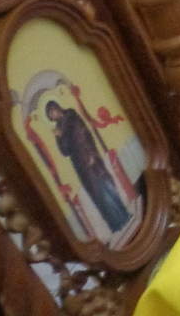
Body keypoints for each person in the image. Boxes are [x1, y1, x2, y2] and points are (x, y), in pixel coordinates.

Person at [45, 100, 131, 234]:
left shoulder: (70, 115)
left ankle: (123, 216)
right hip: (80, 165)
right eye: (50, 115)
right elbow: (65, 151)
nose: (52, 115)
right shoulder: (58, 127)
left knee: (105, 185)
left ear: (56, 107)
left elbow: (83, 134)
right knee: (97, 194)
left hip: (89, 156)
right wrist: (59, 138)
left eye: (52, 111)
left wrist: (90, 154)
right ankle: (115, 224)